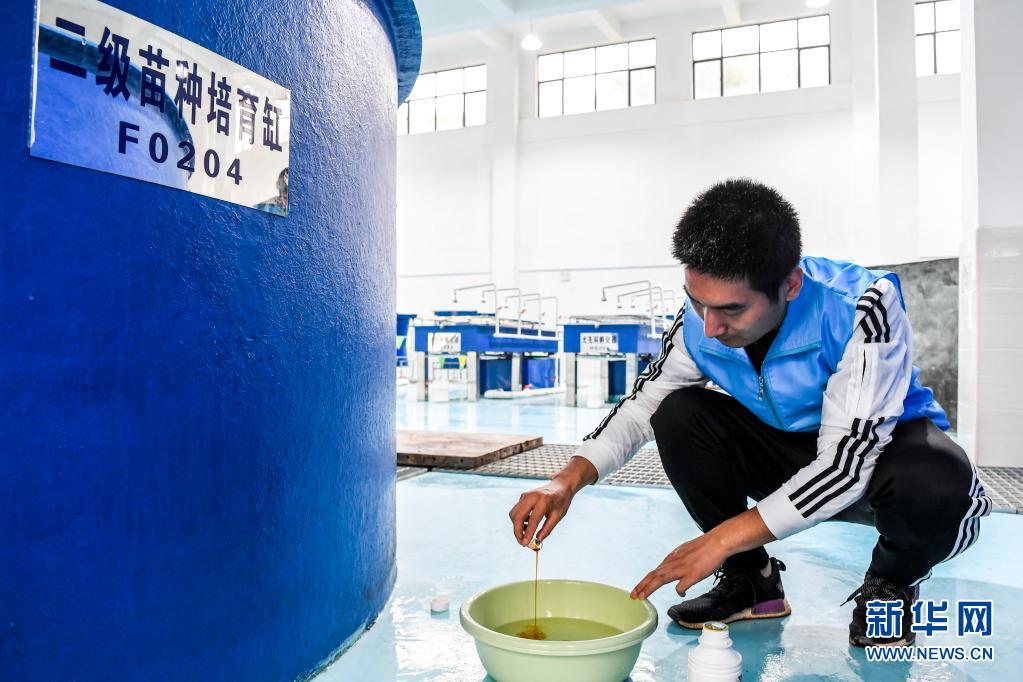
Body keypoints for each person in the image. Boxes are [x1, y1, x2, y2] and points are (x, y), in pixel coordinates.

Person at [508, 178, 991, 647]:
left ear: (791, 285)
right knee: (678, 413)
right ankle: (752, 581)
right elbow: (642, 405)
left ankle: (890, 585)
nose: (710, 327)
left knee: (937, 480)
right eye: (697, 302)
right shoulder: (699, 320)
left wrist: (719, 540)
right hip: (785, 449)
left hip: (879, 459)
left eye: (732, 310)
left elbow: (845, 463)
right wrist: (565, 481)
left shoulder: (860, 306)